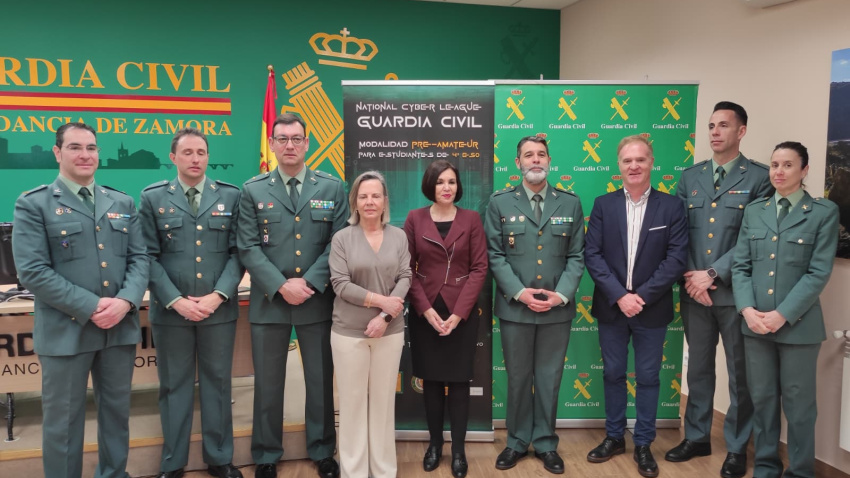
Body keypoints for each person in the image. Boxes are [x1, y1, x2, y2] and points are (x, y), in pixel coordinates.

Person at [12, 122, 149, 478]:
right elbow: (32, 272)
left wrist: (125, 302)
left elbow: (139, 259)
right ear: (58, 153)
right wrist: (91, 307)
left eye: (91, 147)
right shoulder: (34, 204)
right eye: (75, 147)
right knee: (64, 424)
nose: (85, 154)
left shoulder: (121, 201)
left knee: (117, 415)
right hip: (65, 332)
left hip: (118, 329)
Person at [237, 113, 347, 478]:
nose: (289, 145)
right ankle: (267, 454)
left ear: (307, 143)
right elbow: (248, 247)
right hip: (270, 302)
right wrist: (282, 284)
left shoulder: (331, 187)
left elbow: (339, 243)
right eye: (282, 139)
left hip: (317, 301)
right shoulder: (252, 190)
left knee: (319, 381)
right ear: (272, 144)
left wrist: (311, 283)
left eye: (296, 139)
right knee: (268, 384)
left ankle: (322, 450)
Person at [668, 101, 773, 478]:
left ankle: (735, 447)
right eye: (711, 125)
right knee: (697, 369)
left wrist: (712, 273)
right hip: (695, 293)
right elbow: (677, 234)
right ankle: (696, 436)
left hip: (733, 293)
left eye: (723, 125)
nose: (714, 132)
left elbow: (752, 238)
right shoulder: (690, 176)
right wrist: (692, 278)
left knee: (738, 373)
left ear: (741, 131)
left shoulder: (758, 177)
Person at [139, 128, 244, 478]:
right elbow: (147, 257)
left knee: (218, 384)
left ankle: (219, 459)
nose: (195, 158)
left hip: (219, 310)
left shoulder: (230, 196)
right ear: (173, 157)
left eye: (201, 152)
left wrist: (218, 296)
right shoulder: (153, 198)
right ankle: (174, 462)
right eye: (187, 152)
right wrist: (175, 300)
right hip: (172, 314)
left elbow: (237, 253)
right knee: (174, 387)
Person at [732, 141, 838, 478]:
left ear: (804, 170)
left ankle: (802, 471)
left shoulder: (822, 212)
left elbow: (818, 272)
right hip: (756, 325)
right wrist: (747, 309)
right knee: (762, 400)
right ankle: (765, 465)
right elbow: (741, 266)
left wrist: (782, 314)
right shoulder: (755, 210)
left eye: (788, 165)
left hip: (798, 327)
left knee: (799, 406)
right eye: (775, 164)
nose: (778, 171)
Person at [584, 135, 688, 478]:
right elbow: (593, 255)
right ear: (618, 165)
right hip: (613, 307)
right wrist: (620, 295)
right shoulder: (603, 204)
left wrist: (640, 296)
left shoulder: (671, 207)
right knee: (613, 374)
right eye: (627, 160)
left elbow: (675, 259)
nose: (634, 166)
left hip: (651, 308)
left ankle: (643, 443)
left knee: (648, 377)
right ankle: (615, 437)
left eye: (640, 159)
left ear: (651, 163)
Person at [484, 135, 585, 475]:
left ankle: (545, 443)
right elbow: (494, 256)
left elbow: (576, 256)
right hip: (515, 309)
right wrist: (519, 292)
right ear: (518, 163)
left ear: (549, 160)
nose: (535, 160)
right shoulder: (500, 203)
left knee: (549, 378)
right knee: (517, 378)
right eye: (529, 155)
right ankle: (515, 442)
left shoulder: (569, 203)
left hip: (557, 310)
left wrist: (562, 295)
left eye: (541, 154)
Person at [403, 160, 488, 478]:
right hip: (425, 311)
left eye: (452, 181)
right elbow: (406, 268)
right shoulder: (414, 219)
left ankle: (460, 451)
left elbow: (479, 268)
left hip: (460, 313)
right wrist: (425, 309)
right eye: (440, 182)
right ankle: (435, 445)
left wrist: (458, 313)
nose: (447, 187)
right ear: (430, 186)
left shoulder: (472, 219)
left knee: (459, 381)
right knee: (432, 381)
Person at [328, 170, 411, 478]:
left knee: (382, 404)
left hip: (389, 333)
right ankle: (353, 471)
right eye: (363, 196)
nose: (370, 201)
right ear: (355, 202)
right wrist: (382, 302)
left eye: (376, 195)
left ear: (385, 200)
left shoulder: (398, 236)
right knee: (351, 405)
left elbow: (405, 277)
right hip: (349, 334)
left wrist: (385, 317)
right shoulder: (342, 238)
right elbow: (340, 284)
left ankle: (383, 470)